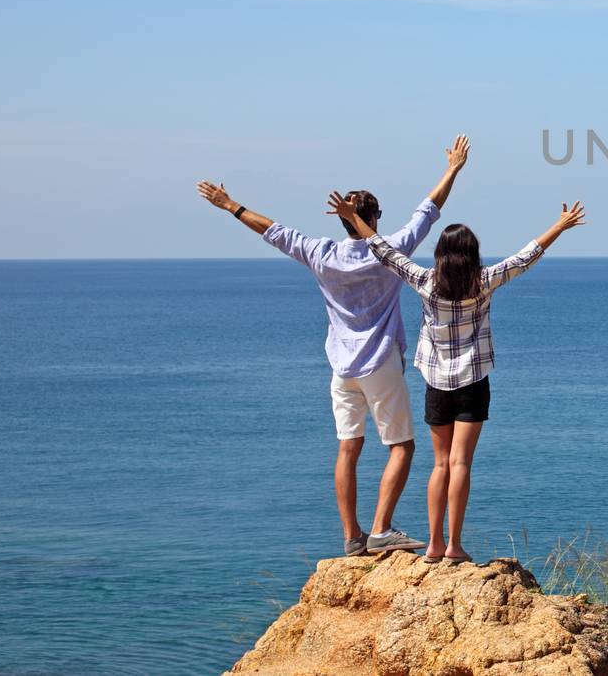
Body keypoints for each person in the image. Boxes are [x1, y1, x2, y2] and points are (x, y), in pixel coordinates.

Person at [194, 135, 471, 556]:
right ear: (375, 218)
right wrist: (452, 168)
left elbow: (272, 230)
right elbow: (429, 210)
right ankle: (381, 529)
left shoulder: (321, 253)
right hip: (380, 364)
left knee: (348, 448)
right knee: (402, 446)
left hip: (341, 368)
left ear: (343, 221)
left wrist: (230, 205)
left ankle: (352, 537)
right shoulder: (389, 251)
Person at [327, 188, 587, 565]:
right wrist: (559, 226)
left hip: (436, 383)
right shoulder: (484, 281)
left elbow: (382, 249)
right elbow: (527, 256)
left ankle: (433, 544)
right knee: (461, 464)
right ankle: (454, 546)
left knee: (439, 464)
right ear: (472, 254)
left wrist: (353, 219)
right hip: (473, 381)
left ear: (441, 254)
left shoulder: (426, 281)